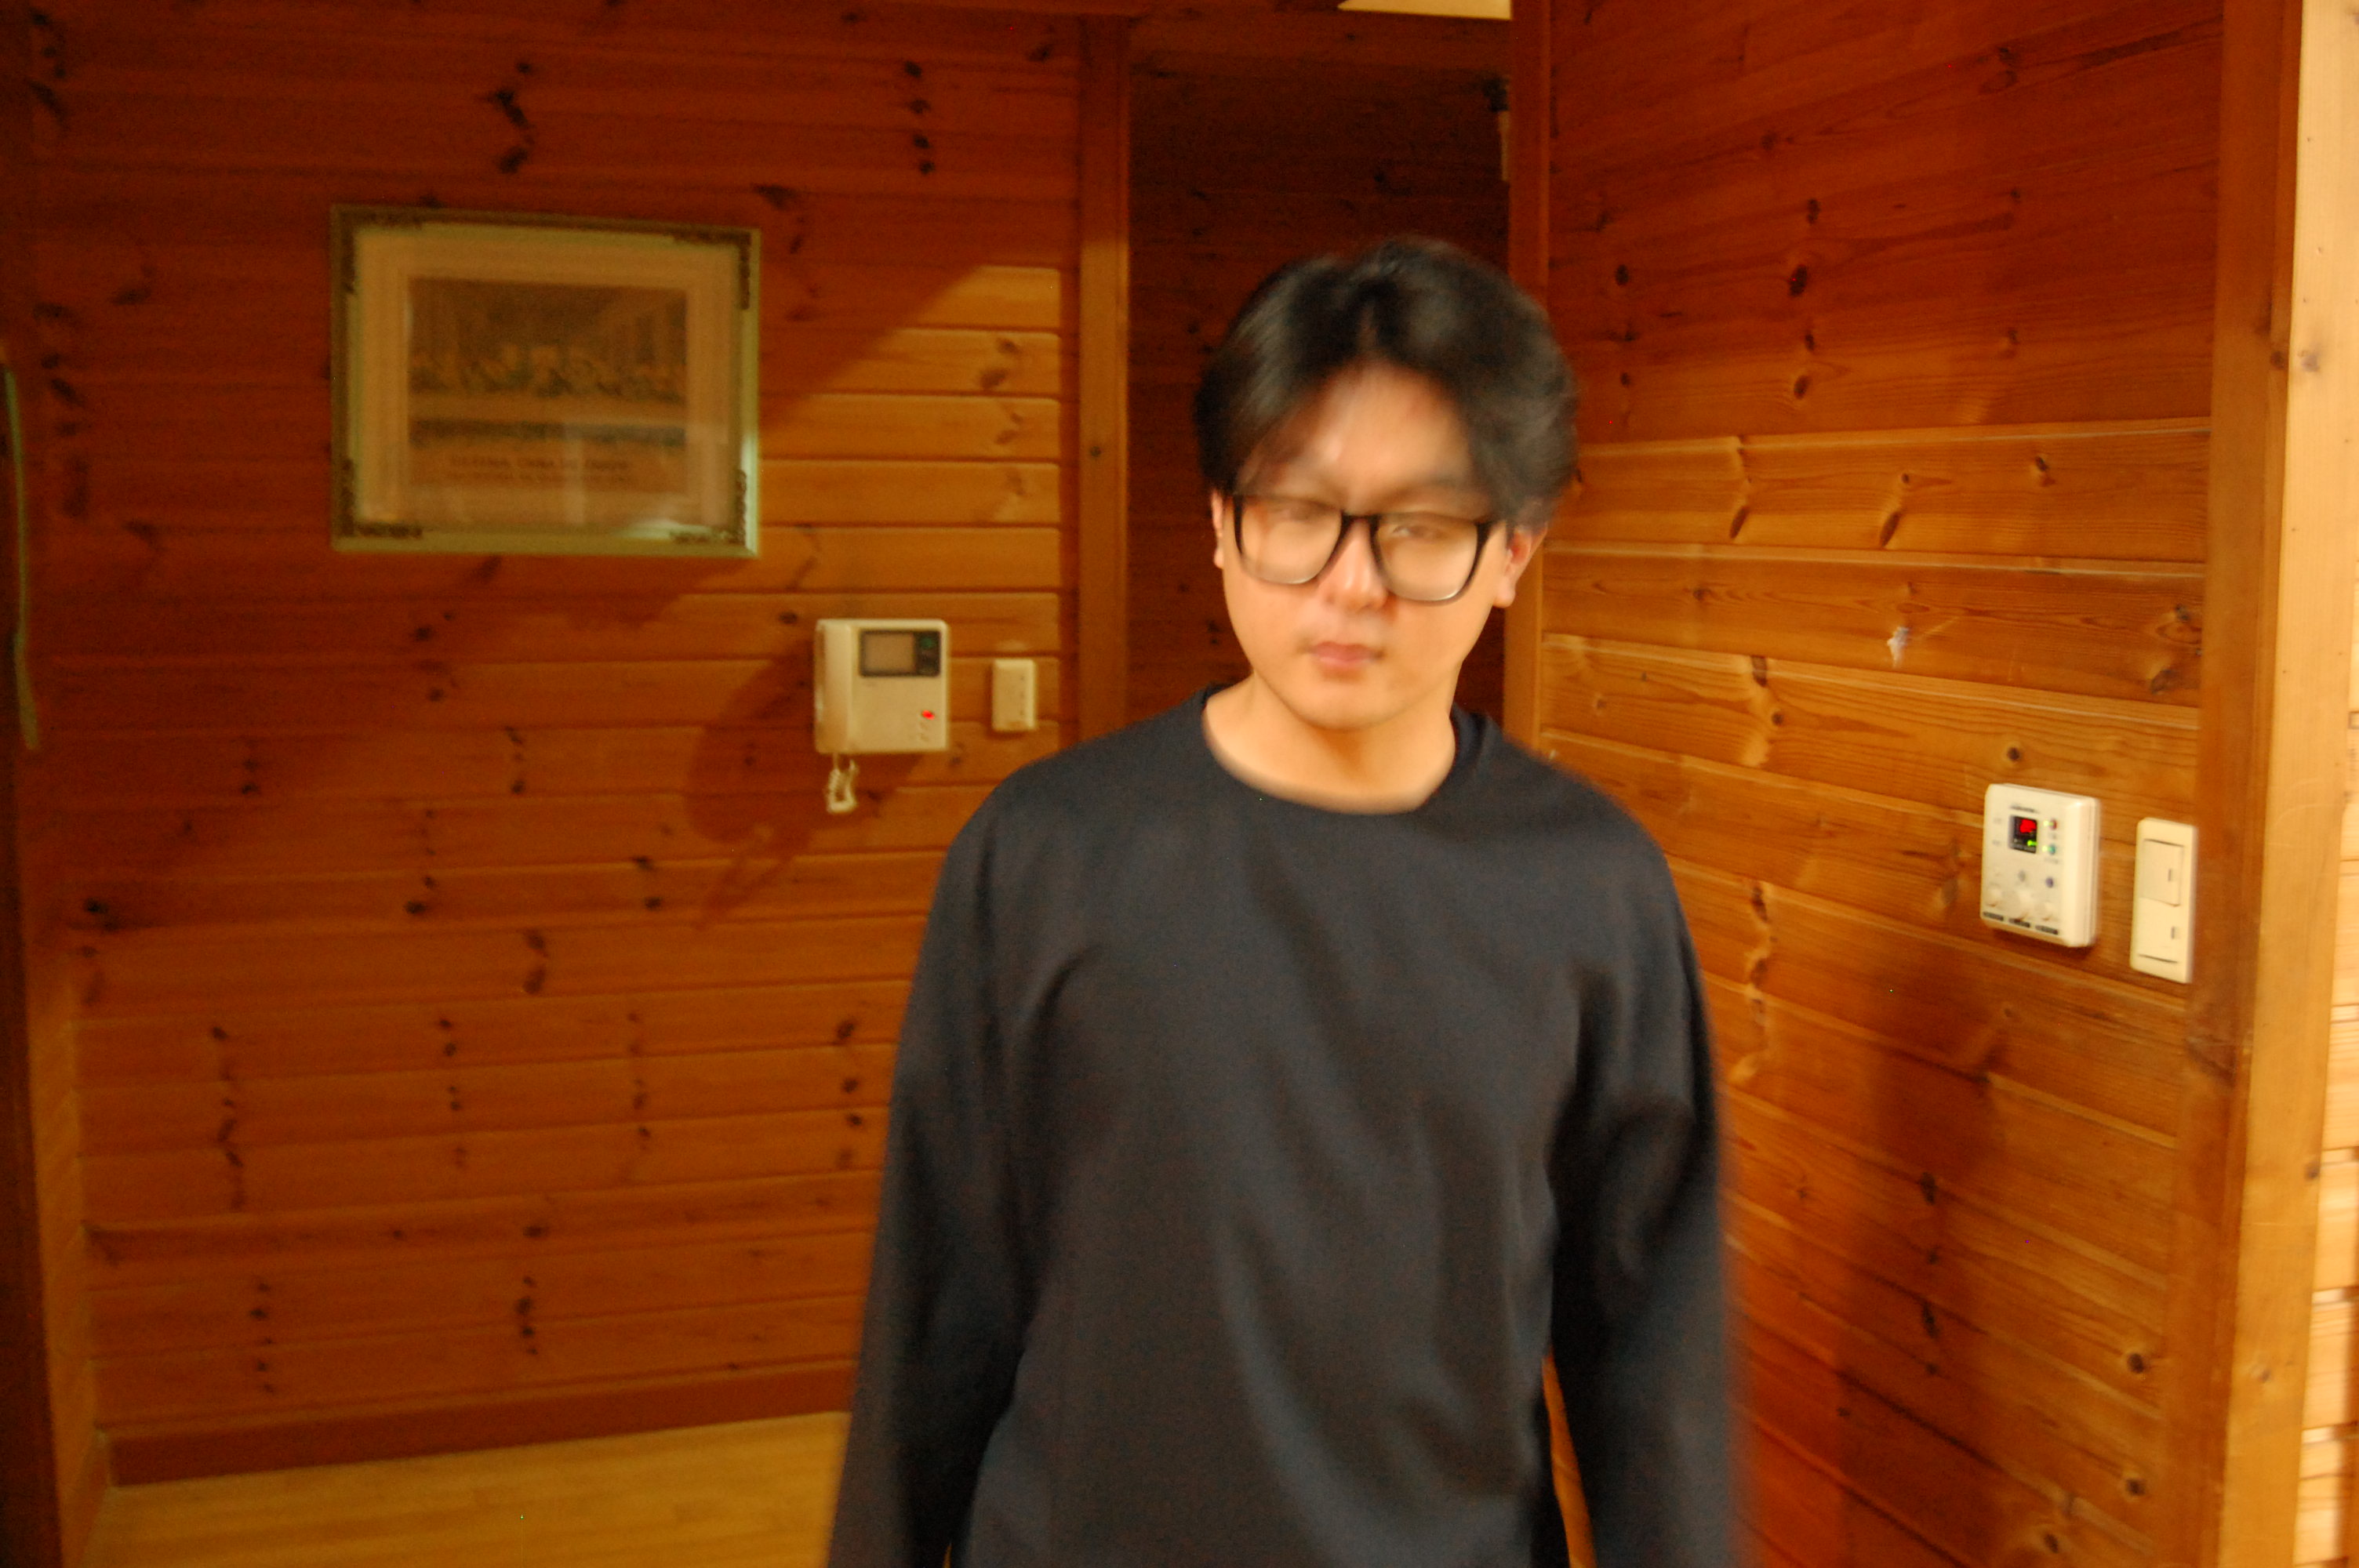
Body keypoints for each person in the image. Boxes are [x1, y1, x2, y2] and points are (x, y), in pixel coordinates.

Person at [827, 238, 1734, 1568]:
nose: (1351, 584)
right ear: (1221, 520)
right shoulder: (1049, 853)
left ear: (1514, 551)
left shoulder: (1591, 887)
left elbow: (1655, 1355)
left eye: (1421, 527)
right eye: (1299, 512)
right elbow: (939, 1302)